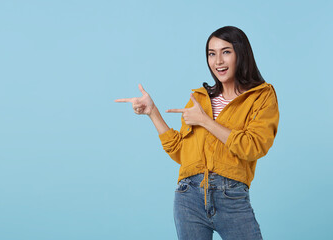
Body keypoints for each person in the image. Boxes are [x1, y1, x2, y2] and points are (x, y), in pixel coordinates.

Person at [115, 26, 279, 240]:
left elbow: (253, 146)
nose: (218, 61)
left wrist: (205, 121)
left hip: (232, 195)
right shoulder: (199, 98)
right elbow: (182, 154)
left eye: (226, 51)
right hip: (188, 196)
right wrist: (152, 112)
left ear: (242, 53)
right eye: (212, 54)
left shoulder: (261, 96)